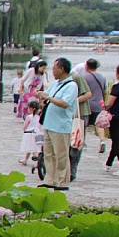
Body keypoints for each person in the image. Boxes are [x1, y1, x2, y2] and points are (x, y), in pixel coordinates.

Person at [37, 58, 80, 191]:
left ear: (61, 69)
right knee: (49, 154)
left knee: (61, 154)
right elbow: (47, 94)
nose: (53, 71)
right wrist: (40, 94)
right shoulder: (56, 83)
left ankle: (62, 181)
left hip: (60, 126)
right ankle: (50, 179)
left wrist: (49, 98)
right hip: (49, 123)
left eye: (54, 68)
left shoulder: (71, 86)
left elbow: (65, 103)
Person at [19, 99, 44, 171]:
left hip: (30, 133)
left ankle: (36, 162)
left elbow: (25, 126)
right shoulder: (39, 117)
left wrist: (24, 130)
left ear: (31, 108)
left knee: (33, 148)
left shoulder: (29, 117)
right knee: (33, 147)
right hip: (37, 132)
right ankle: (25, 159)